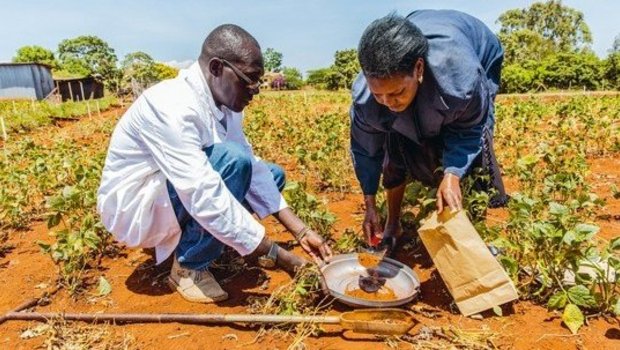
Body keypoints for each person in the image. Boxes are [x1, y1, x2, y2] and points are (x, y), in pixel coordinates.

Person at [97, 24, 332, 304]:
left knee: (270, 174)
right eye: (250, 79)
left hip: (176, 192)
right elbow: (203, 191)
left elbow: (254, 171)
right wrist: (283, 258)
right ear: (217, 67)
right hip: (139, 207)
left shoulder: (224, 103)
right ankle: (189, 266)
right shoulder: (172, 105)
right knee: (234, 163)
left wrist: (301, 230)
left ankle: (216, 239)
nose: (255, 89)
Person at [350, 10, 509, 250]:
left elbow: (470, 128)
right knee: (396, 137)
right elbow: (366, 150)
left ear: (419, 68)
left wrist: (453, 173)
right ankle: (394, 224)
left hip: (478, 48)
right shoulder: (366, 99)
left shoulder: (461, 81)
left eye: (397, 93)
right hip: (421, 32)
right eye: (378, 94)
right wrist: (370, 203)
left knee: (473, 151)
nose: (388, 101)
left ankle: (475, 230)